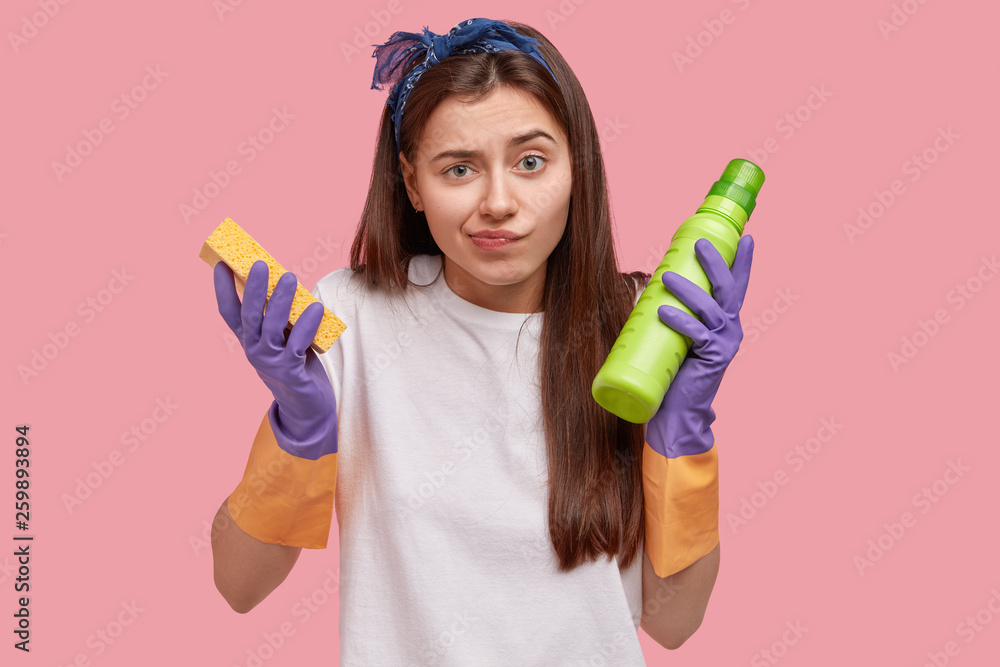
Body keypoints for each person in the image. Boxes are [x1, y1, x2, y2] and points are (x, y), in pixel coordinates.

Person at [210, 17, 754, 665]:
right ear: (413, 184)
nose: (499, 201)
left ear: (576, 168)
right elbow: (238, 584)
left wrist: (684, 434)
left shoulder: (640, 327)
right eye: (459, 168)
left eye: (531, 161)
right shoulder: (351, 317)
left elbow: (673, 620)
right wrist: (298, 433)